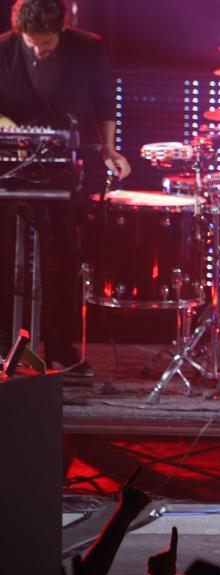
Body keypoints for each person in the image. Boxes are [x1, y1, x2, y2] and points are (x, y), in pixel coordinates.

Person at [0, 0, 130, 372]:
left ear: (63, 29)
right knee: (2, 250)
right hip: (9, 164)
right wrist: (8, 126)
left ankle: (60, 345)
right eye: (32, 43)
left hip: (62, 165)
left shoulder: (89, 49)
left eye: (47, 44)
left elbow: (104, 104)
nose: (39, 50)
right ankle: (3, 343)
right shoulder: (3, 50)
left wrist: (108, 149)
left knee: (63, 254)